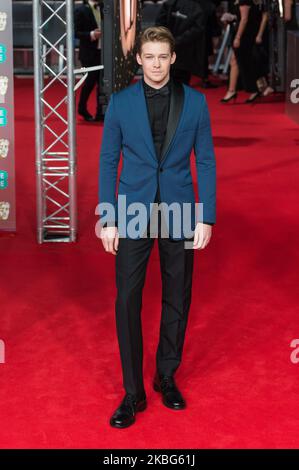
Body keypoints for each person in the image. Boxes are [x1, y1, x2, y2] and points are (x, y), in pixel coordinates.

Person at [98, 26, 216, 428]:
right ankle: (133, 392)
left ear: (172, 59)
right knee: (127, 297)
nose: (156, 64)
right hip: (132, 209)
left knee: (177, 296)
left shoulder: (196, 103)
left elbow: (205, 161)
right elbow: (108, 161)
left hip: (180, 208)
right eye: (149, 57)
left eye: (162, 56)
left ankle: (167, 374)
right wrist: (107, 217)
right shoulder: (119, 103)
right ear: (139, 60)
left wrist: (207, 214)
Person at [74, 0, 104, 122]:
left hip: (103, 52)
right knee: (90, 82)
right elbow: (76, 33)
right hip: (88, 53)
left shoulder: (104, 8)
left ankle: (101, 112)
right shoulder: (81, 10)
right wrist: (91, 34)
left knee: (102, 83)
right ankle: (82, 108)